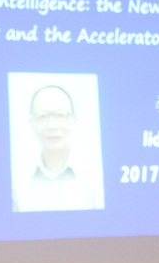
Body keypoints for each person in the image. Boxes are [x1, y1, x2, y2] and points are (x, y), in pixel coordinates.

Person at [12, 84, 104, 212]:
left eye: (60, 115)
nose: (52, 126)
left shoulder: (97, 176)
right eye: (42, 116)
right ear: (31, 123)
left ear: (74, 120)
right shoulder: (17, 180)